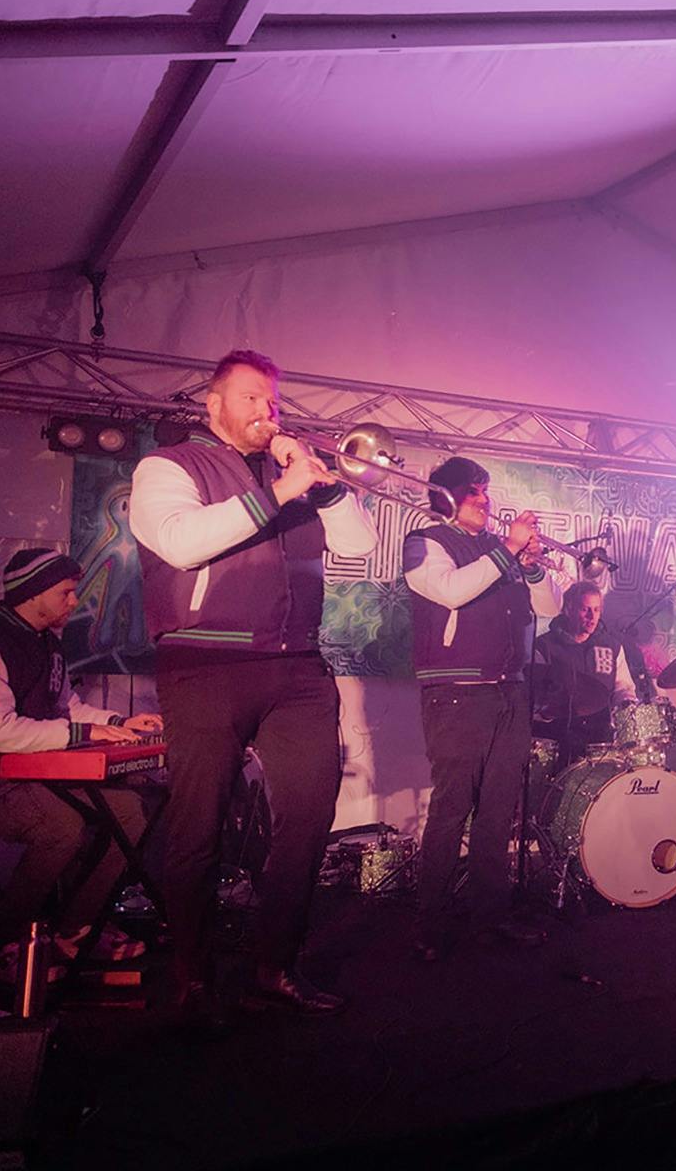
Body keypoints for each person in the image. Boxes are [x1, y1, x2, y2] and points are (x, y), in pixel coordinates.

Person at [128, 348, 378, 1026]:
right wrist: (279, 492)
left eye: (272, 402)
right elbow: (181, 544)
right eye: (250, 400)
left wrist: (323, 487)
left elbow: (357, 544)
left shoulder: (290, 476)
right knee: (198, 825)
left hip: (294, 667)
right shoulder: (169, 466)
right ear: (213, 406)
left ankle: (274, 966)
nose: (267, 414)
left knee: (308, 811)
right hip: (206, 662)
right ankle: (192, 979)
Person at [0, 549, 161, 980]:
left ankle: (75, 932)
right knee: (59, 828)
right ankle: (4, 946)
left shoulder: (47, 644)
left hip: (22, 763)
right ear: (34, 593)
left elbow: (66, 709)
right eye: (65, 592)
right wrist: (83, 735)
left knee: (127, 814)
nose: (73, 601)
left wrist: (119, 723)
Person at [402, 456, 561, 959]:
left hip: (508, 691)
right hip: (455, 691)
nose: (486, 501)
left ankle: (490, 917)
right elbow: (450, 590)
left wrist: (532, 568)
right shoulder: (425, 542)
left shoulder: (500, 551)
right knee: (452, 808)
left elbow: (552, 610)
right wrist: (511, 548)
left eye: (486, 492)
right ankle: (431, 925)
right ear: (446, 495)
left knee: (497, 812)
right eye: (475, 492)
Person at [533, 581, 644, 760]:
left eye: (597, 609)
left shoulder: (612, 647)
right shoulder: (544, 646)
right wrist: (545, 712)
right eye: (585, 610)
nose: (592, 617)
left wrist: (626, 705)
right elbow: (533, 698)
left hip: (599, 740)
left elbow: (623, 688)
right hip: (555, 740)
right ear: (569, 609)